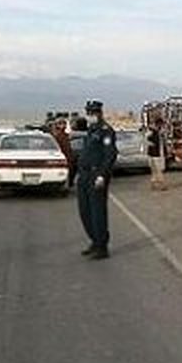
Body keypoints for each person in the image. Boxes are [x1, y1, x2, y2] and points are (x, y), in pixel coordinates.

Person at [77, 99, 117, 259]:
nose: (90, 115)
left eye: (93, 112)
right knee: (84, 211)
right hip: (84, 175)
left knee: (97, 212)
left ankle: (101, 246)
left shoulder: (106, 131)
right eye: (88, 112)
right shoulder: (91, 130)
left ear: (100, 113)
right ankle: (94, 240)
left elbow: (110, 155)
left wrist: (102, 175)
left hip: (96, 175)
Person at [51, 118, 76, 189]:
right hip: (60, 157)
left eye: (64, 123)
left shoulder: (66, 135)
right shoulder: (55, 136)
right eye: (60, 123)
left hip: (68, 157)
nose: (63, 125)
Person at [147, 118, 168, 191]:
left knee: (155, 170)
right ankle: (161, 184)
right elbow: (153, 141)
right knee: (158, 170)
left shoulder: (154, 131)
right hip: (157, 154)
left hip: (153, 153)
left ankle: (154, 184)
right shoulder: (154, 132)